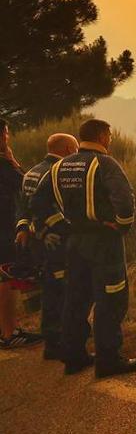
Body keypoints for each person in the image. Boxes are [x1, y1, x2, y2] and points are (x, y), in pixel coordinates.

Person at [28, 118, 136, 376]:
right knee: (111, 299)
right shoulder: (105, 164)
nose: (110, 141)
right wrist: (121, 226)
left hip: (74, 243)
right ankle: (108, 360)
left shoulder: (59, 167)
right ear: (102, 136)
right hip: (104, 242)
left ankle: (73, 357)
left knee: (75, 298)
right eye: (109, 136)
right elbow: (125, 200)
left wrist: (60, 227)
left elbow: (38, 202)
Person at [15, 132, 79, 358]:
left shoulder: (32, 171)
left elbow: (23, 206)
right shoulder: (55, 173)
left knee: (52, 286)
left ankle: (60, 334)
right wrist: (67, 229)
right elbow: (43, 207)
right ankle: (55, 340)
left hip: (38, 240)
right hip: (55, 242)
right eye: (76, 148)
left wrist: (23, 228)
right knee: (59, 288)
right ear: (69, 150)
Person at [0, 117, 44, 350]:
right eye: (5, 133)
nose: (7, 138)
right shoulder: (4, 165)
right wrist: (13, 160)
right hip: (3, 227)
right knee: (5, 279)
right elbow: (26, 184)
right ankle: (9, 334)